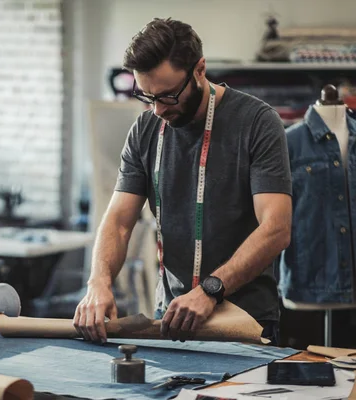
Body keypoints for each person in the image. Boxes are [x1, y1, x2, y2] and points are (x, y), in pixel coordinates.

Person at [73, 17, 292, 346]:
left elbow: (276, 228)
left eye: (168, 96)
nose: (158, 110)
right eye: (148, 97)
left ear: (199, 70)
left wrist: (210, 290)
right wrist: (98, 282)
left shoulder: (258, 123)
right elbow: (118, 221)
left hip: (245, 322)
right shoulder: (144, 130)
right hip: (172, 318)